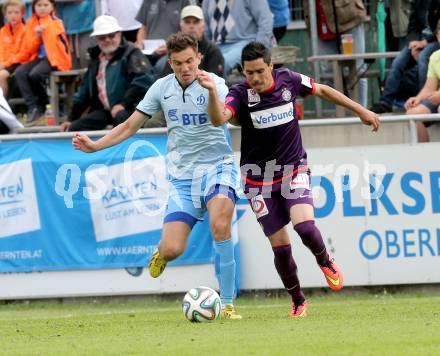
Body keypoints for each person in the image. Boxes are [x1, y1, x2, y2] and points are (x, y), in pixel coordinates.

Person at [72, 33, 242, 320]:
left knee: (220, 225)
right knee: (174, 248)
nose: (185, 68)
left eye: (189, 61)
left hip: (218, 167)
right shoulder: (161, 89)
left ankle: (227, 304)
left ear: (199, 58)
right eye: (177, 63)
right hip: (183, 178)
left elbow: (218, 119)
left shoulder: (217, 83)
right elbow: (128, 127)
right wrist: (95, 146)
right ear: (171, 62)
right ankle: (161, 253)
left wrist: (212, 92)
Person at [204, 42, 380, 318]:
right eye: (249, 73)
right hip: (258, 181)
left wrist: (360, 110)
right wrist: (213, 93)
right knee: (281, 248)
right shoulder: (239, 94)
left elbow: (321, 89)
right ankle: (298, 300)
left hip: (293, 170)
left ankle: (325, 260)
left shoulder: (290, 80)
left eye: (260, 71)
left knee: (306, 227)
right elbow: (219, 119)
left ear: (271, 65)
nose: (255, 78)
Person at [60, 15, 152, 132]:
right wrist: (71, 118)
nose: (107, 40)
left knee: (121, 118)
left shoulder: (132, 52)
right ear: (97, 39)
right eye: (102, 37)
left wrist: (124, 104)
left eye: (111, 35)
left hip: (131, 108)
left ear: (119, 34)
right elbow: (84, 92)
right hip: (106, 111)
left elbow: (143, 81)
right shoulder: (95, 59)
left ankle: (120, 150)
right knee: (74, 127)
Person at [370, 1, 440, 114]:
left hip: (433, 40)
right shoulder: (418, 2)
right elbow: (412, 25)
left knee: (423, 57)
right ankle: (386, 102)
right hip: (419, 40)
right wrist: (413, 43)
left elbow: (438, 30)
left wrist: (424, 42)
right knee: (398, 61)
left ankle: (424, 101)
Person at [14, 0, 71, 124]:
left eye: (46, 5)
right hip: (38, 58)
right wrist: (37, 36)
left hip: (55, 59)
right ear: (34, 7)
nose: (42, 8)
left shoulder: (56, 22)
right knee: (20, 72)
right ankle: (33, 107)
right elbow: (29, 49)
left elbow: (60, 47)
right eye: (39, 5)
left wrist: (44, 31)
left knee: (35, 74)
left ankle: (46, 104)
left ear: (52, 7)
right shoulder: (30, 23)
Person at [202, 0, 273, 77]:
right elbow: (205, 29)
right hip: (216, 45)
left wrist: (258, 49)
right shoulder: (207, 1)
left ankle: (214, 88)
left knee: (221, 62)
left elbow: (266, 20)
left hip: (245, 42)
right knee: (198, 64)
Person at [135, 0, 194, 77]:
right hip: (148, 51)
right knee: (134, 64)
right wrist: (140, 44)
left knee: (160, 66)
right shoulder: (148, 1)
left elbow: (188, 31)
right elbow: (143, 28)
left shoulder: (185, 2)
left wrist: (172, 46)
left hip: (173, 51)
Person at [405, 47, 440, 142]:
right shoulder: (436, 56)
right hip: (437, 98)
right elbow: (429, 88)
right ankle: (424, 155)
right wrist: (417, 98)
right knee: (412, 114)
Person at [0, 0, 26, 96]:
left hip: (19, 63)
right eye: (9, 13)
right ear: (5, 15)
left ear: (22, 14)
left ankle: (3, 106)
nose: (13, 15)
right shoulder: (3, 31)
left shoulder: (25, 31)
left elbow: (22, 54)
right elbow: (1, 50)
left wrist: (4, 64)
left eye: (16, 12)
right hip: (5, 63)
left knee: (1, 75)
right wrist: (2, 63)